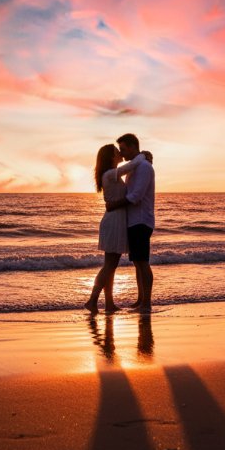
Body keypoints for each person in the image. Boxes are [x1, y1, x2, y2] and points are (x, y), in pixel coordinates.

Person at [85, 144, 150, 314]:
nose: (120, 153)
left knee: (111, 266)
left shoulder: (112, 175)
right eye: (116, 152)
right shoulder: (109, 175)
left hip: (116, 221)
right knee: (109, 266)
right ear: (110, 158)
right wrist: (142, 156)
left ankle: (109, 304)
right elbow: (130, 166)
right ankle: (92, 300)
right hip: (113, 222)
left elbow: (129, 171)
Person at [106, 133, 155, 313]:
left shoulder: (143, 167)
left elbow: (135, 196)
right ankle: (140, 300)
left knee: (142, 262)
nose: (122, 153)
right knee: (137, 262)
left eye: (124, 149)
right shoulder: (136, 166)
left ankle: (146, 303)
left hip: (141, 220)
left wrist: (113, 205)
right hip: (134, 221)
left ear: (134, 147)